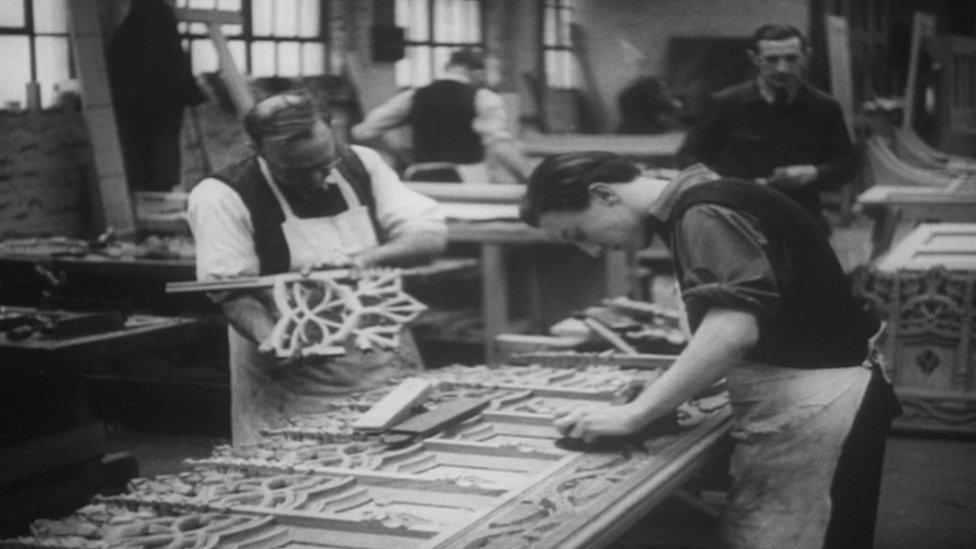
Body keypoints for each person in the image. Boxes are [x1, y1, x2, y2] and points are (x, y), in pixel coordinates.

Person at [520, 152, 901, 549]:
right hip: (823, 392)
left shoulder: (703, 214)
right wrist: (669, 390)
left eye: (577, 233)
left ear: (603, 194)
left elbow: (733, 330)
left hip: (822, 402)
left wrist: (636, 414)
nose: (591, 250)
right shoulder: (705, 194)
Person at [187, 93, 447, 445]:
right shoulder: (221, 197)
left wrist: (362, 260)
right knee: (305, 478)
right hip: (296, 383)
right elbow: (234, 294)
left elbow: (428, 237)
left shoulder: (362, 164)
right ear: (256, 148)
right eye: (295, 172)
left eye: (324, 164)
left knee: (404, 460)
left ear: (332, 131)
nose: (315, 179)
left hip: (381, 358)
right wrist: (273, 338)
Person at [676, 24, 856, 233]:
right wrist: (722, 184)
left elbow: (846, 163)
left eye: (791, 58)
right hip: (737, 219)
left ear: (806, 56)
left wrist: (812, 173)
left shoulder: (824, 107)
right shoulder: (726, 103)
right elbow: (687, 157)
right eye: (772, 59)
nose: (782, 68)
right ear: (754, 59)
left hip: (800, 220)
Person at [351, 48, 530, 183]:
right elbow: (500, 147)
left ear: (447, 67)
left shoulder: (413, 95)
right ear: (478, 73)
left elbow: (362, 132)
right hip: (467, 182)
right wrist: (529, 179)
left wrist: (396, 152)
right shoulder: (484, 98)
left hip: (419, 180)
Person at [107, 0, 206, 192]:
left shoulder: (131, 29)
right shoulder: (157, 20)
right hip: (157, 103)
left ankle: (155, 186)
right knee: (157, 156)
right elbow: (176, 61)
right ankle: (158, 186)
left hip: (144, 104)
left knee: (147, 157)